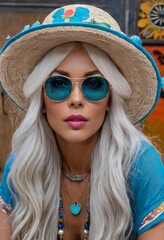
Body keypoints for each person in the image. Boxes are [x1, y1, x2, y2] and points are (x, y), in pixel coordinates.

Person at [0, 4, 164, 240]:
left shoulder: (140, 164)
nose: (76, 100)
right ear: (42, 99)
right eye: (58, 84)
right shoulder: (23, 162)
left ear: (110, 99)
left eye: (94, 84)